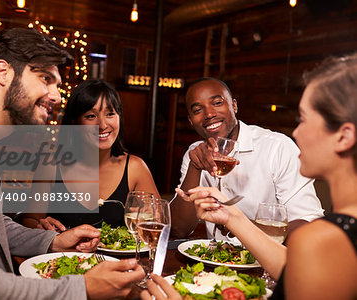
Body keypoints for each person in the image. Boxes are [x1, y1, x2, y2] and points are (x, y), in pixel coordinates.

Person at [0, 28, 144, 300]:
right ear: (3, 73)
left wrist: (52, 241)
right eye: (45, 78)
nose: (56, 96)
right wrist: (81, 289)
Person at [145, 53, 357, 300]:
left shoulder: (319, 241)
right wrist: (232, 217)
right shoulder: (330, 238)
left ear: (344, 137)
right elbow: (291, 269)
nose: (296, 132)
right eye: (198, 109)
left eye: (303, 120)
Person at [170, 77, 324, 240]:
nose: (209, 114)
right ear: (190, 121)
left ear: (234, 106)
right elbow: (179, 229)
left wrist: (237, 223)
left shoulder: (277, 148)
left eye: (217, 103)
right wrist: (195, 166)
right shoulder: (195, 153)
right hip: (211, 262)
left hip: (266, 263)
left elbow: (308, 224)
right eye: (197, 110)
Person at [22, 79, 161, 230]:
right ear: (75, 122)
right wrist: (40, 226)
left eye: (110, 114)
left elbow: (159, 221)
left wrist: (151, 218)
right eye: (91, 116)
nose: (102, 125)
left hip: (120, 255)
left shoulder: (135, 168)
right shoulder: (51, 165)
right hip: (66, 254)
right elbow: (30, 220)